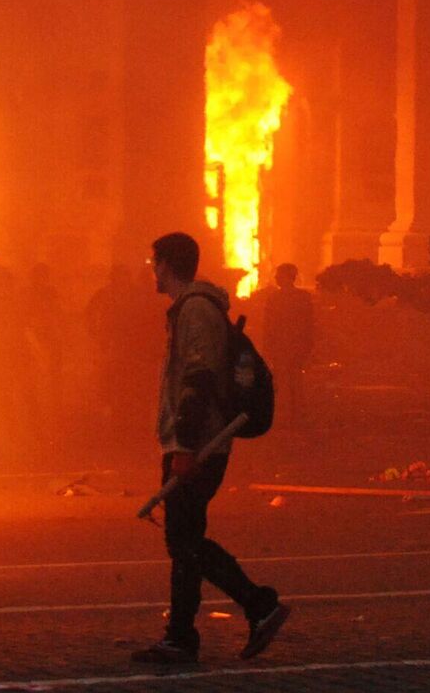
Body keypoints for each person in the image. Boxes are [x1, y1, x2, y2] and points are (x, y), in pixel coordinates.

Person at [132, 232, 289, 664]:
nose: (152, 271)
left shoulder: (197, 310)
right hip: (195, 443)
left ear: (167, 264)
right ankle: (180, 637)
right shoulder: (191, 309)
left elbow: (198, 380)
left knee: (184, 541)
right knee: (184, 540)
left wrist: (183, 445)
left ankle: (259, 604)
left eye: (154, 262)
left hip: (199, 445)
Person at [261, 263, 314, 427]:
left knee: (284, 381)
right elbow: (309, 325)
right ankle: (295, 415)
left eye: (279, 275)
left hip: (285, 346)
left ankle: (288, 416)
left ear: (287, 277)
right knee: (293, 381)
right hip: (291, 346)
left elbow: (269, 325)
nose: (276, 277)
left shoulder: (275, 299)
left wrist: (268, 345)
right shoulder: (302, 297)